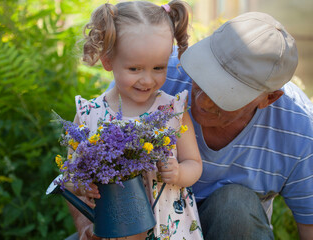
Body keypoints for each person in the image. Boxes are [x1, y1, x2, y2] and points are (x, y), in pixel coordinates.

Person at [158, 11, 313, 240]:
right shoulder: (155, 73)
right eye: (203, 77)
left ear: (268, 98)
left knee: (234, 206)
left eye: (224, 94)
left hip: (233, 230)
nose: (202, 101)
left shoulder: (299, 130)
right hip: (151, 220)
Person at [65, 1, 203, 240]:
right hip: (115, 229)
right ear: (108, 61)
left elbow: (194, 162)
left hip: (170, 229)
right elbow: (71, 175)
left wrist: (180, 173)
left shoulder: (172, 110)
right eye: (135, 69)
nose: (147, 80)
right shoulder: (89, 114)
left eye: (159, 67)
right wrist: (82, 187)